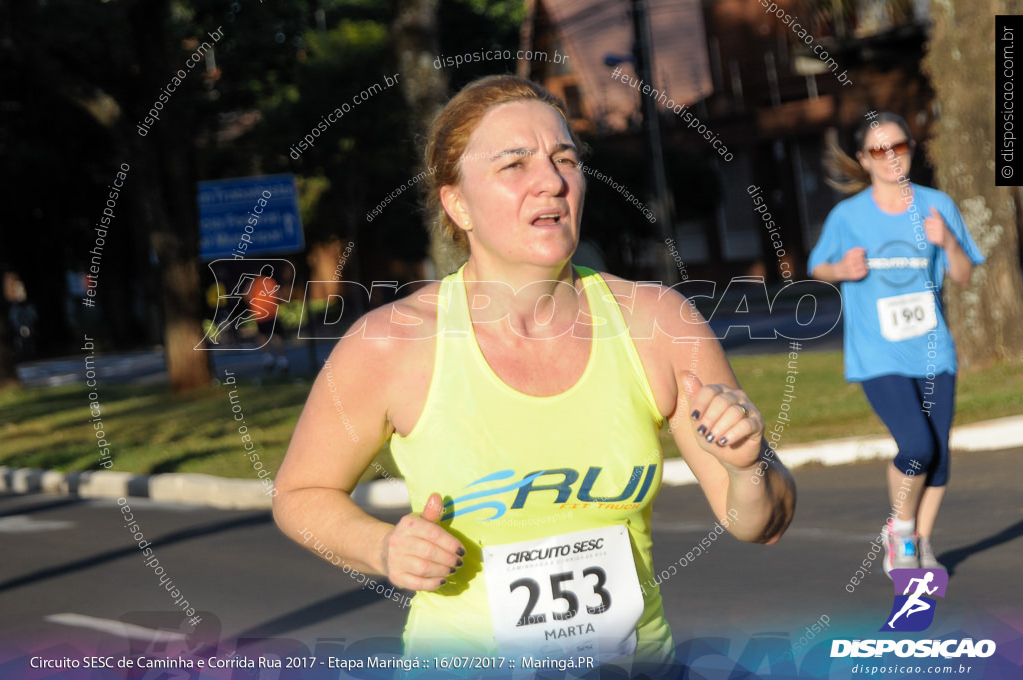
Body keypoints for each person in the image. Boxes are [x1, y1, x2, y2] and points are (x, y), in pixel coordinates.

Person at [273, 75, 795, 674]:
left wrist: (747, 465)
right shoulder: (391, 344)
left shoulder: (657, 322)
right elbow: (299, 495)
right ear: (457, 203)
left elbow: (761, 523)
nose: (551, 181)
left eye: (564, 158)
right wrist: (383, 547)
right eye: (514, 164)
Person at [808, 112, 984, 575]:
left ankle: (920, 544)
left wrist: (947, 243)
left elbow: (964, 277)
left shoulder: (937, 205)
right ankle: (900, 531)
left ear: (911, 148)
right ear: (865, 160)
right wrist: (841, 270)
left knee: (940, 457)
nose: (891, 157)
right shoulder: (848, 216)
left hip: (933, 350)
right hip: (877, 352)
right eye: (879, 150)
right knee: (915, 444)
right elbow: (818, 266)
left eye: (899, 147)